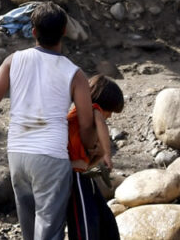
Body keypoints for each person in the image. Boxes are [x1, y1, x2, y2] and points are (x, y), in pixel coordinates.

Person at [0, 3, 99, 240]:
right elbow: (85, 123)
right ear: (64, 31)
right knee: (49, 231)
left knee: (29, 231)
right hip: (51, 157)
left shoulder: (14, 60)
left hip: (18, 153)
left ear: (33, 32)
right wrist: (88, 151)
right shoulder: (75, 73)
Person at [66, 75, 124, 240]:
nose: (110, 116)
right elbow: (101, 124)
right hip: (74, 175)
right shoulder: (91, 109)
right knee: (85, 223)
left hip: (83, 174)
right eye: (110, 111)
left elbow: (88, 160)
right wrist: (106, 153)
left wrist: (97, 157)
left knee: (106, 222)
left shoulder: (83, 119)